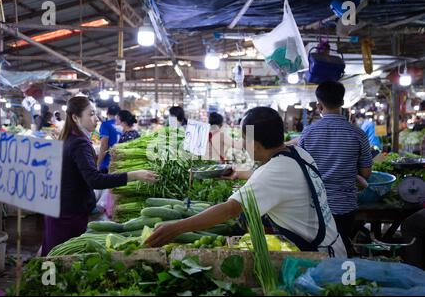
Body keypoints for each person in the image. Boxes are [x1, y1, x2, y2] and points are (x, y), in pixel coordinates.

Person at [146, 107, 347, 258]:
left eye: (245, 139)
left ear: (257, 145)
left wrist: (176, 228)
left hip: (319, 259)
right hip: (332, 245)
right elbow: (282, 183)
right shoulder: (298, 154)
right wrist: (240, 173)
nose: (242, 144)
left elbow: (229, 210)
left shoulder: (272, 172)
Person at [41, 97, 157, 256]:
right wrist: (134, 175)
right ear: (75, 117)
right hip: (67, 213)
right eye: (91, 114)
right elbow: (94, 180)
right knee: (60, 261)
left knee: (53, 259)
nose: (96, 119)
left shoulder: (70, 138)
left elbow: (84, 173)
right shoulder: (79, 143)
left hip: (60, 208)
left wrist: (110, 171)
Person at [297, 81, 372, 254]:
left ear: (318, 105)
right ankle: (343, 278)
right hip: (345, 206)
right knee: (341, 250)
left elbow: (300, 169)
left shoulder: (308, 132)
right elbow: (366, 173)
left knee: (317, 253)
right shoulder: (358, 133)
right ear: (343, 103)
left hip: (315, 205)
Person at [97, 104, 121, 173]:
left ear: (107, 114)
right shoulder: (123, 125)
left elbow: (104, 146)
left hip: (108, 164)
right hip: (121, 163)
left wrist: (97, 164)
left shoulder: (105, 125)